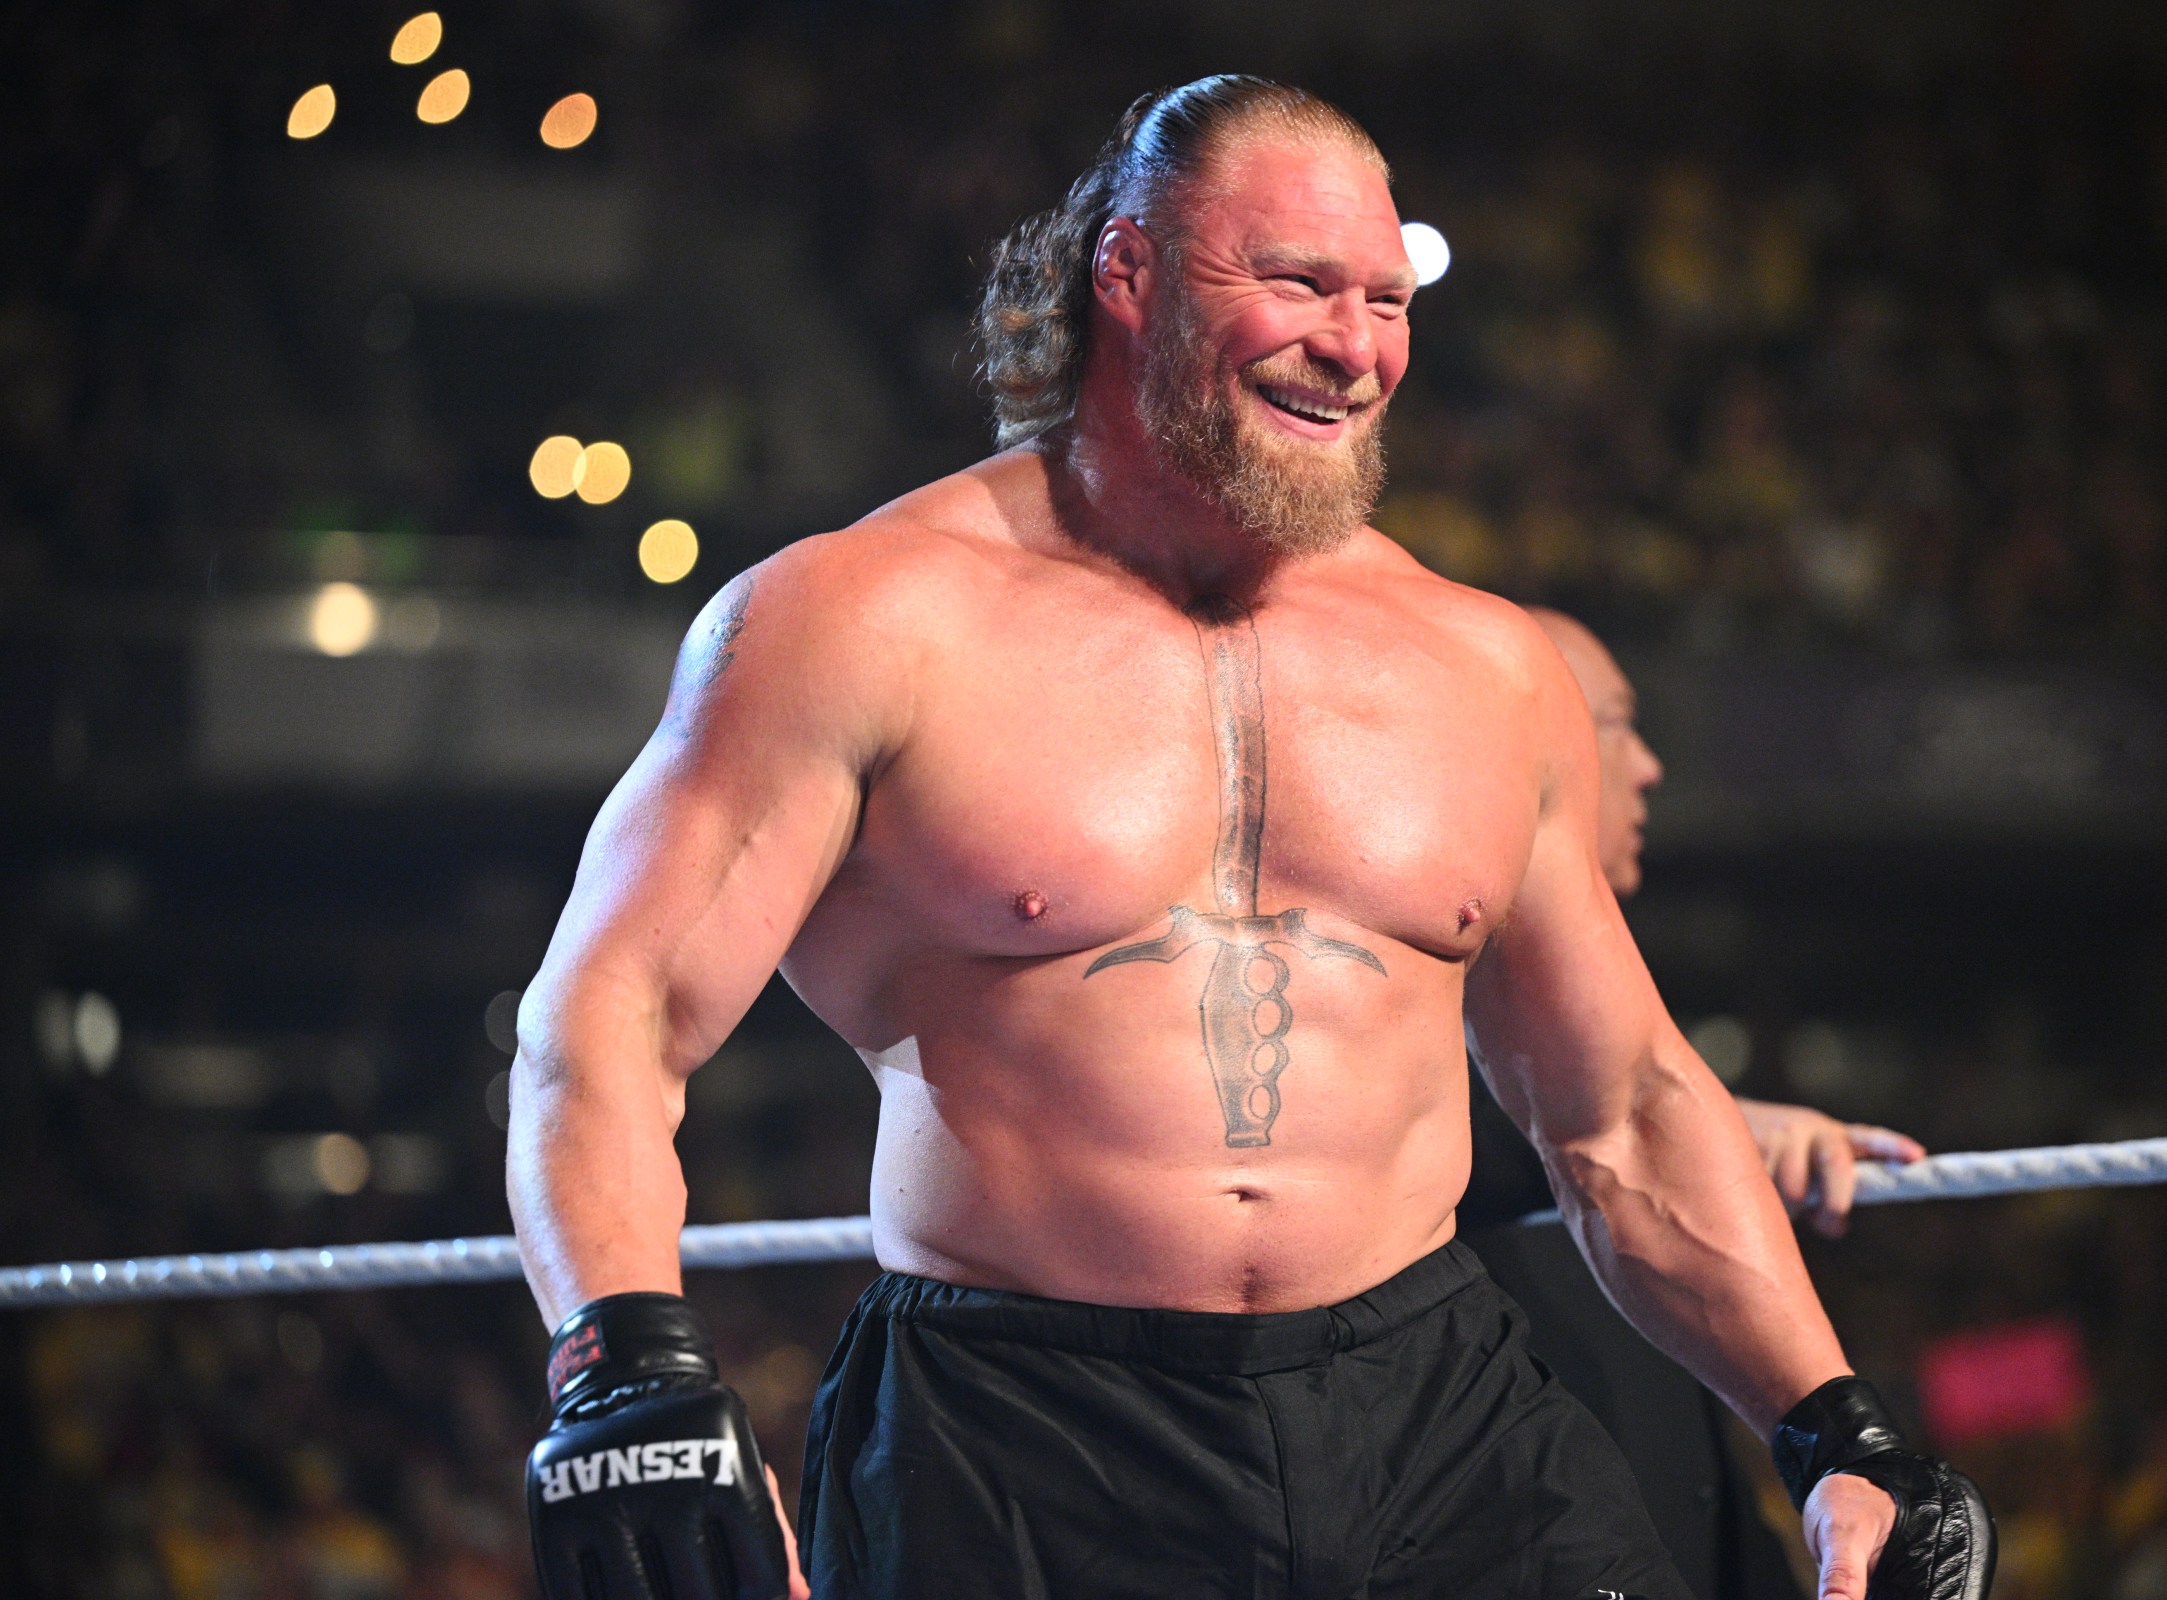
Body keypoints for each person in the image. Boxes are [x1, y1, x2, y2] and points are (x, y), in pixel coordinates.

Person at [506, 77, 1990, 1600]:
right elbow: (607, 1019)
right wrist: (624, 1364)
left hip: (1436, 1404)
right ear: (1129, 274)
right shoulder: (860, 622)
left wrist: (1842, 1433)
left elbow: (1619, 1108)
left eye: (1386, 300)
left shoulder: (1480, 665)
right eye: (1296, 283)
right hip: (1021, 1428)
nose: (1355, 346)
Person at [1463, 606, 1929, 1600]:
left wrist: (1709, 1123)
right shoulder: (1432, 1016)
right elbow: (1534, 1118)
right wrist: (1718, 1124)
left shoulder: (1611, 1040)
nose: (1649, 768)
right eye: (1620, 723)